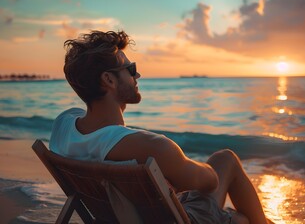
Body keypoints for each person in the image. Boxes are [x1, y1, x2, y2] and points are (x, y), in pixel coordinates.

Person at [49, 30, 271, 224]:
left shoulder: (63, 124)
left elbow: (98, 137)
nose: (137, 75)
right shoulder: (154, 147)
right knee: (227, 160)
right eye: (130, 68)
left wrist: (173, 177)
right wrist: (175, 170)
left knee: (239, 218)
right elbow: (210, 181)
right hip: (172, 219)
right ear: (109, 79)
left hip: (120, 215)